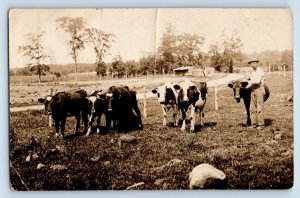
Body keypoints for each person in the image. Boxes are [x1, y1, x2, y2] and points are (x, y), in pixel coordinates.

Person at [246, 59, 265, 130]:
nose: (252, 65)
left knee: (259, 108)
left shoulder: (260, 71)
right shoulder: (252, 72)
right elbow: (248, 79)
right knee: (252, 108)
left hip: (259, 90)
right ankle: (253, 124)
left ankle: (261, 124)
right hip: (253, 91)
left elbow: (257, 81)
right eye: (251, 64)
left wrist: (248, 82)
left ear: (257, 64)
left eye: (254, 63)